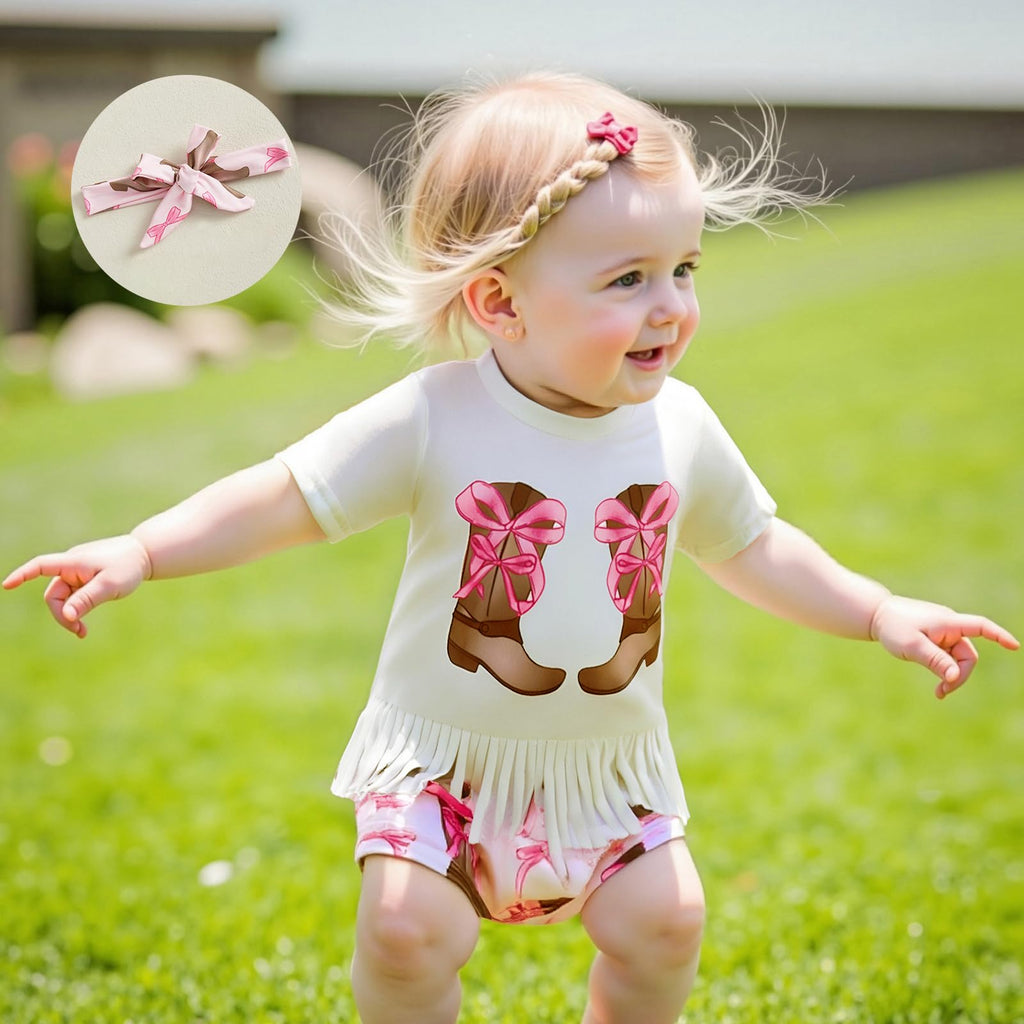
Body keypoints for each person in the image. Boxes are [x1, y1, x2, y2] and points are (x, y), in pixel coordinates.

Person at [4, 72, 1017, 1024]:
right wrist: (145, 549)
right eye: (627, 279)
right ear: (499, 303)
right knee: (409, 930)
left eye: (683, 269)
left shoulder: (681, 426)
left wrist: (879, 611)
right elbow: (286, 498)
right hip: (439, 763)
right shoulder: (435, 416)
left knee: (666, 922)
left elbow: (753, 547)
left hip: (604, 767)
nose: (670, 306)